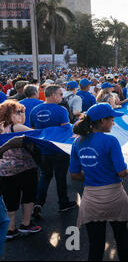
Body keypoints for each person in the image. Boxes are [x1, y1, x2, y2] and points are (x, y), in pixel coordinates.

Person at [70, 103, 128, 261]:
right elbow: (122, 172)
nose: (114, 122)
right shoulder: (111, 140)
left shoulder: (78, 142)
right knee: (123, 243)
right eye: (112, 119)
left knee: (95, 246)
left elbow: (75, 175)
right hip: (115, 197)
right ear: (103, 120)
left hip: (91, 199)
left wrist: (92, 173)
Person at [30, 85, 77, 218]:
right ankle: (63, 203)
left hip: (42, 149)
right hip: (58, 149)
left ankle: (38, 204)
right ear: (52, 95)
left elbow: (34, 130)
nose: (62, 97)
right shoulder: (61, 110)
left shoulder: (35, 110)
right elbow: (65, 130)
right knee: (60, 177)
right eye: (60, 94)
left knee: (45, 176)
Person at [0, 101, 41, 240]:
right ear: (9, 114)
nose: (22, 114)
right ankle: (26, 224)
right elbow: (38, 135)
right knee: (28, 195)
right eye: (19, 112)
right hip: (24, 168)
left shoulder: (1, 128)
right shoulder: (16, 127)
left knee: (10, 198)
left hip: (4, 170)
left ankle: (10, 229)